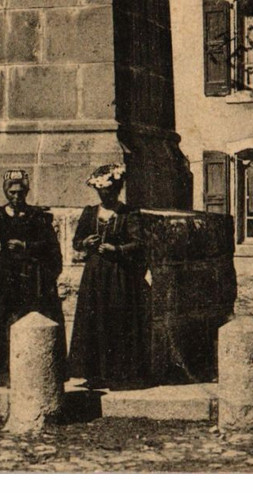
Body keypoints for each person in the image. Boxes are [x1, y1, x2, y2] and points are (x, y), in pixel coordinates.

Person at [68, 163, 150, 389]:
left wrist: (118, 250)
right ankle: (94, 373)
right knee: (93, 320)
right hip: (94, 274)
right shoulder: (90, 213)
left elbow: (139, 243)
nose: (106, 196)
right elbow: (76, 242)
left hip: (118, 275)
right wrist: (85, 243)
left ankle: (119, 373)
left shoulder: (128, 213)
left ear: (117, 190)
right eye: (102, 192)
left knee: (117, 319)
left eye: (110, 191)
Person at [0, 169, 65, 386]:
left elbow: (49, 245)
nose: (16, 197)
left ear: (26, 192)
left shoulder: (37, 215)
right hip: (4, 274)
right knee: (3, 320)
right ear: (6, 192)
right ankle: (4, 370)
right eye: (12, 192)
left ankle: (30, 369)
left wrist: (25, 246)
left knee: (27, 317)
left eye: (20, 192)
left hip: (30, 274)